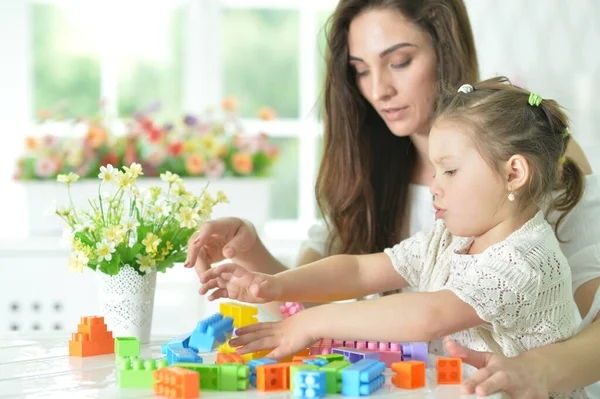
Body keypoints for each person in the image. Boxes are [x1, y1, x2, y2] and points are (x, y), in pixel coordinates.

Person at [184, 1, 600, 397]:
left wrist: (312, 323)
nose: (378, 89)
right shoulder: (442, 228)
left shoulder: (522, 249)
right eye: (360, 70)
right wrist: (266, 274)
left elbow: (428, 316)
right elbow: (356, 275)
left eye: (399, 61)